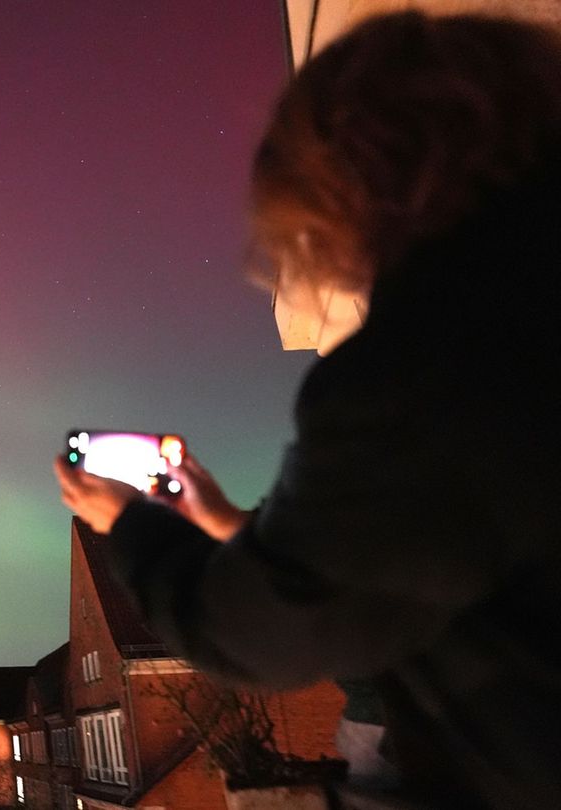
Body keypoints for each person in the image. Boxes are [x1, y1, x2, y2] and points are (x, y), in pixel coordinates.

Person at [53, 12, 561, 807]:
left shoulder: (434, 362)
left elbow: (260, 631)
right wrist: (225, 522)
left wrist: (128, 524)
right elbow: (408, 551)